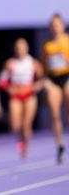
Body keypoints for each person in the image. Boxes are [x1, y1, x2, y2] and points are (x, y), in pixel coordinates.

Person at [0, 38, 44, 159]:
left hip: (29, 95)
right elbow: (2, 81)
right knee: (15, 125)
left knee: (27, 123)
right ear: (15, 50)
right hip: (16, 95)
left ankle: (26, 146)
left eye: (22, 48)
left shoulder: (33, 63)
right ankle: (20, 139)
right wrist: (9, 88)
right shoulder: (10, 63)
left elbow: (42, 79)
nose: (20, 50)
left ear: (27, 49)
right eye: (18, 48)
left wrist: (36, 86)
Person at [42, 13, 69, 164]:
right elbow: (44, 66)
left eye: (57, 25)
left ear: (63, 26)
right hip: (53, 79)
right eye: (52, 26)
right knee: (54, 113)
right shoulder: (47, 45)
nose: (55, 28)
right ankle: (59, 145)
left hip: (67, 75)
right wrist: (45, 79)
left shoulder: (67, 41)